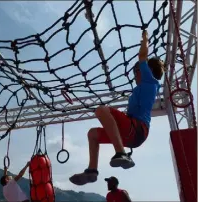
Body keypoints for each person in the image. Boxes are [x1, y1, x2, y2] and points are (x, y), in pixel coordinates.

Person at [69, 30, 164, 185]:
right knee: (93, 134)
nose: (134, 75)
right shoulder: (143, 88)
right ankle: (92, 170)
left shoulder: (150, 81)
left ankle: (121, 153)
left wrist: (145, 39)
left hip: (138, 128)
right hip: (131, 133)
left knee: (101, 110)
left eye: (136, 71)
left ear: (143, 70)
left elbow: (142, 57)